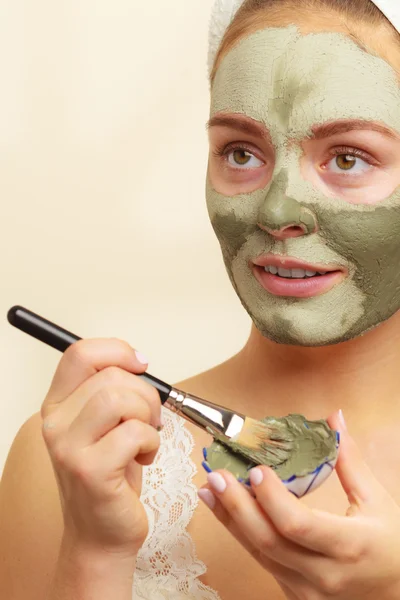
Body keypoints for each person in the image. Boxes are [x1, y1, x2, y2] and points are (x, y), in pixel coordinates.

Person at [1, 0, 400, 598]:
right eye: (241, 152)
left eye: (348, 157)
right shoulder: (75, 463)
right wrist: (94, 552)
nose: (276, 211)